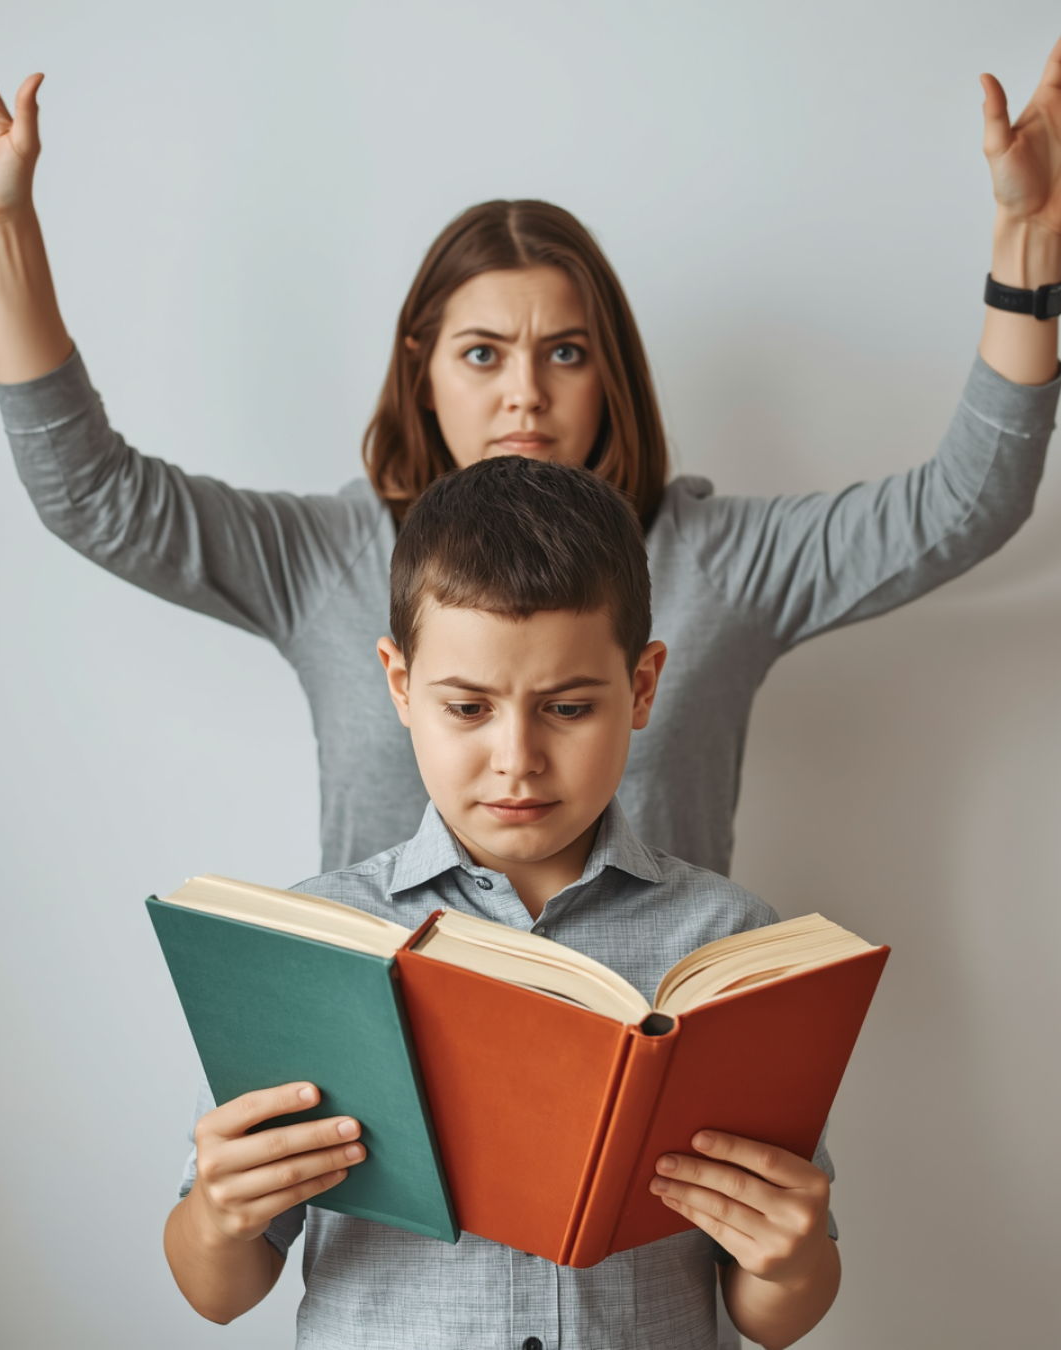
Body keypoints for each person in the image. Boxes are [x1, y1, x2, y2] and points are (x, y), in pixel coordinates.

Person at [0, 42, 1060, 884]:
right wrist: (0, 232)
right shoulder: (319, 556)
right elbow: (95, 495)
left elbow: (964, 502)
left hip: (637, 1067)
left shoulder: (719, 561)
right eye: (484, 353)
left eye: (566, 353)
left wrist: (1029, 245)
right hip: (388, 1075)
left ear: (611, 374)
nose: (525, 392)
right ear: (424, 369)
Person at [164, 456, 842, 1350]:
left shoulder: (727, 942)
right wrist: (219, 1214)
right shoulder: (317, 942)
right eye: (469, 707)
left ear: (642, 687)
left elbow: (775, 1312)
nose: (516, 757)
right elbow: (218, 1292)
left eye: (566, 708)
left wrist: (790, 1261)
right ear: (401, 685)